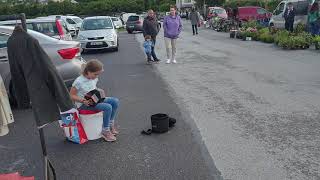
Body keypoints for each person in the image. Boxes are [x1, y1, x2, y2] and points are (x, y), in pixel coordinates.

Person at [70, 60, 120, 142]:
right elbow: (71, 95)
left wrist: (99, 90)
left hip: (94, 100)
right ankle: (105, 130)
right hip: (84, 104)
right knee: (107, 107)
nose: (97, 76)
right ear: (88, 72)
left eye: (98, 74)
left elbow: (92, 88)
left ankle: (110, 124)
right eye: (95, 74)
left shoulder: (94, 78)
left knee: (115, 101)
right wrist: (83, 101)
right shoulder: (79, 81)